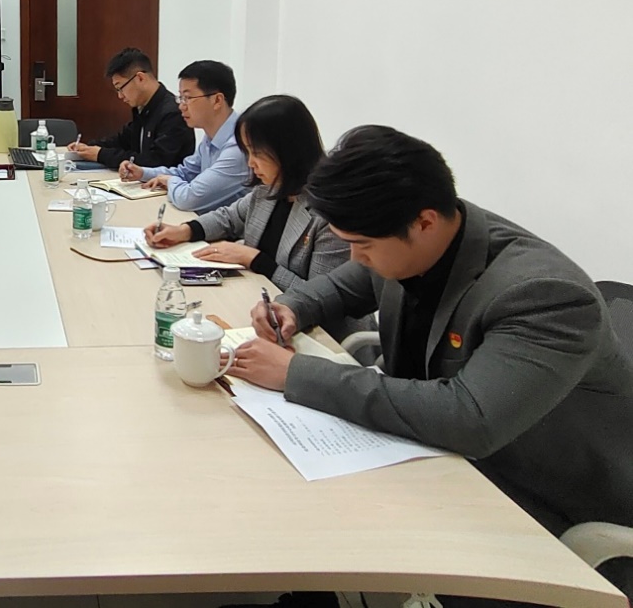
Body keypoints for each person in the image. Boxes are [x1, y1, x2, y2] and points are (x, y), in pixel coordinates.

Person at [229, 126, 633, 606]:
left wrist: (294, 373)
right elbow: (344, 284)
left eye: (362, 244)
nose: (356, 256)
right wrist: (293, 307)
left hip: (536, 499)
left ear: (423, 222)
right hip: (438, 457)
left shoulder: (545, 296)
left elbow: (468, 419)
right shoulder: (425, 232)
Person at [143, 94, 361, 341]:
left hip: (321, 337)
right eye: (246, 152)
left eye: (256, 153)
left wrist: (255, 259)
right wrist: (184, 230)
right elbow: (228, 218)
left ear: (287, 149)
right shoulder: (267, 191)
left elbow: (321, 298)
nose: (250, 163)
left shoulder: (329, 214)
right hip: (264, 311)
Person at [119, 59, 249, 214]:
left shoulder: (239, 146)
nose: (181, 106)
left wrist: (170, 181)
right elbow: (186, 172)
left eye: (187, 98)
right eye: (180, 98)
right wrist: (142, 173)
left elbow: (190, 198)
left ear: (217, 100)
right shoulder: (211, 138)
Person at [67, 47, 193, 170]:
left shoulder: (173, 113)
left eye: (120, 88)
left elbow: (154, 162)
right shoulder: (143, 108)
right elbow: (122, 141)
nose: (120, 96)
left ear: (140, 78)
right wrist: (89, 148)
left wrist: (100, 154)